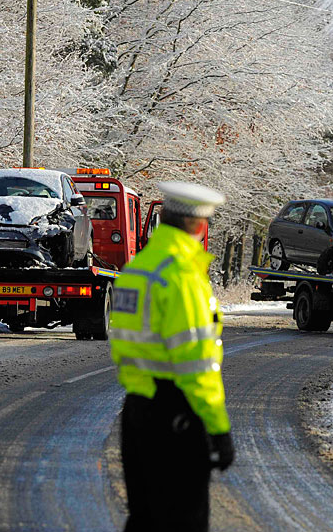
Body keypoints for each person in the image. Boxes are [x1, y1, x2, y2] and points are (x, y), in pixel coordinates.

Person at [109, 181, 234, 532]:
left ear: (162, 218)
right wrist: (218, 428)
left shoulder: (137, 269)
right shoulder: (181, 276)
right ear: (199, 225)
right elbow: (197, 365)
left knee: (144, 520)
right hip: (177, 416)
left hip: (137, 410)